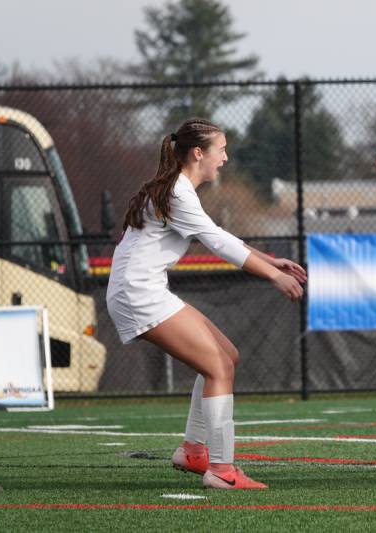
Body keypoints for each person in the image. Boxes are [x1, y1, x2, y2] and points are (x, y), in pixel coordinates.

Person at [106, 118, 306, 490]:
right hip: (138, 294)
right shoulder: (179, 192)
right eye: (221, 149)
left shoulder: (178, 188)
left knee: (226, 356)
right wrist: (273, 276)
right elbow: (217, 243)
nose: (226, 158)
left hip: (143, 290)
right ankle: (221, 470)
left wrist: (268, 259)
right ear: (198, 153)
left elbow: (217, 235)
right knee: (216, 367)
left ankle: (193, 451)